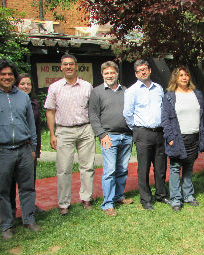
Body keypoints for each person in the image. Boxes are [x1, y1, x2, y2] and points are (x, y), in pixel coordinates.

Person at [0, 59, 40, 240]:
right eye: (3, 74)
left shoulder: (23, 96)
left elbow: (31, 124)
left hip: (24, 149)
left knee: (27, 187)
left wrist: (33, 147)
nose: (7, 77)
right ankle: (6, 225)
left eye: (10, 74)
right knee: (3, 190)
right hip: (1, 150)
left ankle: (29, 219)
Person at [44, 54, 96, 215]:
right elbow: (50, 111)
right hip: (64, 131)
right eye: (65, 64)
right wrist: (52, 134)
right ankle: (64, 203)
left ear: (76, 67)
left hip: (85, 129)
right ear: (61, 67)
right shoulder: (55, 87)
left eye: (71, 64)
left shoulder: (87, 86)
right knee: (64, 168)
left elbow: (93, 110)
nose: (68, 67)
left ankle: (86, 198)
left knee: (87, 166)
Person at [89, 61, 133, 217]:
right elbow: (93, 115)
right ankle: (107, 204)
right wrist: (101, 134)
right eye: (106, 73)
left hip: (126, 136)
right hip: (109, 137)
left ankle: (118, 196)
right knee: (109, 171)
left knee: (122, 169)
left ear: (117, 74)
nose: (109, 76)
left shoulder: (126, 91)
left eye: (112, 73)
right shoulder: (97, 92)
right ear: (102, 75)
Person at [123, 59, 168, 211]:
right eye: (139, 70)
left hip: (159, 132)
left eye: (145, 69)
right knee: (143, 168)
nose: (143, 72)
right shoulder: (131, 91)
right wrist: (137, 129)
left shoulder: (159, 89)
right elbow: (127, 114)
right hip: (142, 133)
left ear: (150, 70)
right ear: (136, 74)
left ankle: (161, 195)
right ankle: (146, 199)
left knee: (160, 167)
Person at [161, 66, 204, 211]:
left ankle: (188, 195)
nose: (184, 77)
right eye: (181, 75)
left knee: (188, 166)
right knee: (175, 167)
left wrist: (203, 134)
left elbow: (203, 115)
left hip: (194, 136)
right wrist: (169, 137)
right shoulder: (169, 95)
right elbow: (165, 119)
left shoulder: (197, 94)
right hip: (177, 138)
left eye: (186, 75)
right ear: (175, 77)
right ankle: (176, 199)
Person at [9, 73, 44, 215]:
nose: (26, 86)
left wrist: (36, 148)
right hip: (13, 146)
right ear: (16, 85)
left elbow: (36, 127)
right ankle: (10, 210)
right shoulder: (10, 102)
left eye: (28, 84)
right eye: (22, 84)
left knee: (29, 181)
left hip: (30, 147)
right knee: (10, 181)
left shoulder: (34, 103)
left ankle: (29, 208)